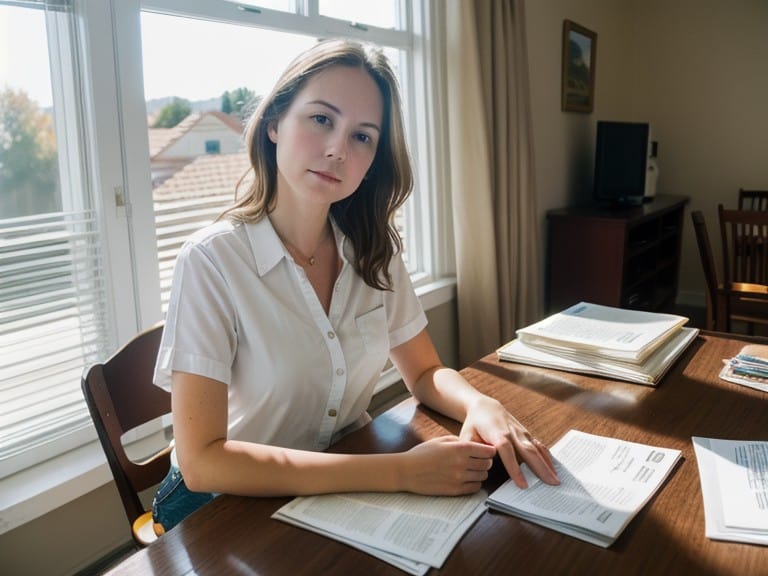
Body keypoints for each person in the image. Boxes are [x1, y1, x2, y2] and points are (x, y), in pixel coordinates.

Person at [152, 38, 559, 534]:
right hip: (221, 508)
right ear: (275, 123)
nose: (338, 150)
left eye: (363, 136)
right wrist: (397, 472)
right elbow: (203, 463)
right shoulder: (211, 262)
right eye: (322, 119)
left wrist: (481, 403)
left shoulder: (372, 249)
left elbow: (426, 372)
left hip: (335, 484)